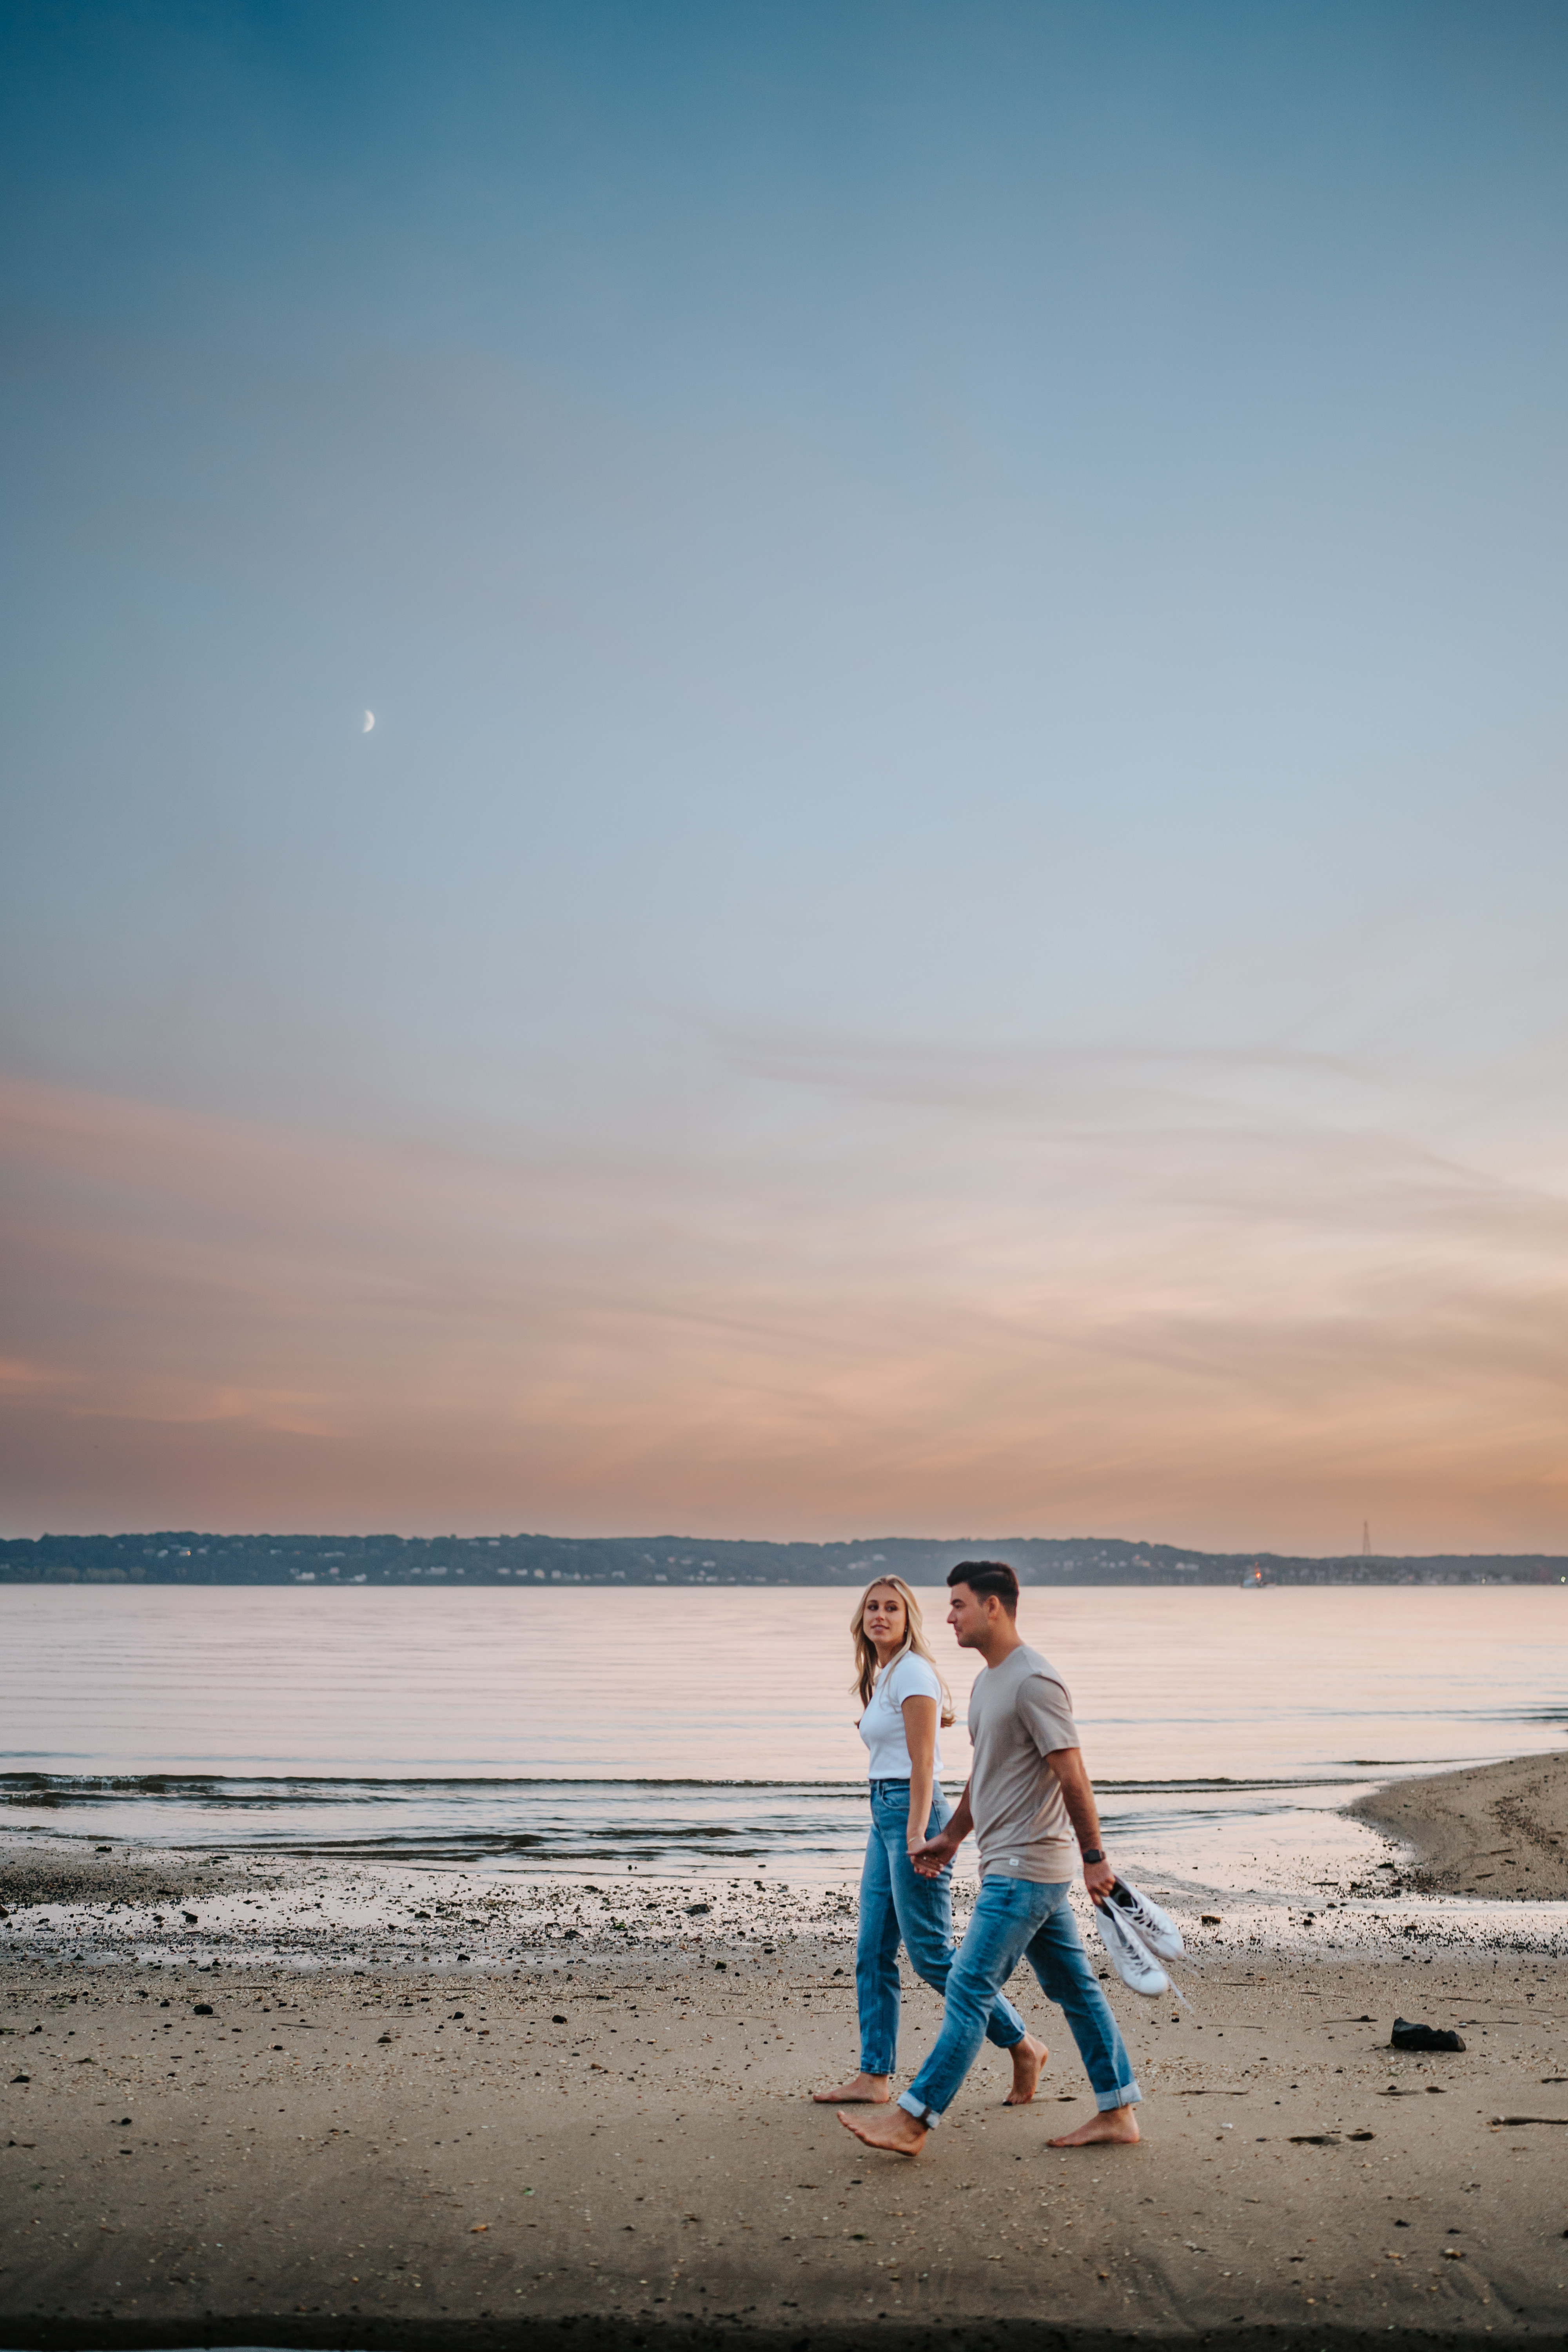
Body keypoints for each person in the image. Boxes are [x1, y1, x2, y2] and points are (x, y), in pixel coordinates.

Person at [838, 1561, 1142, 2156]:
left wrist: (1095, 1858)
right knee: (1075, 1989)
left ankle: (914, 2118)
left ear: (994, 1607)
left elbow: (1073, 1773)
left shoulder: (1034, 1681)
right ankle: (1118, 2110)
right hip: (1006, 1859)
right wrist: (951, 1836)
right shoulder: (988, 1682)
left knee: (969, 1986)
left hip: (1029, 1866)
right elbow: (985, 1775)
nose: (948, 1616)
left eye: (959, 1605)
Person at [813, 1574, 1047, 2109]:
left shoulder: (914, 1672)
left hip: (907, 1814)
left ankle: (1022, 2043)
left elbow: (923, 1765)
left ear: (908, 1618)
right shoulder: (885, 1673)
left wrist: (920, 1835)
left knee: (931, 1954)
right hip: (884, 1811)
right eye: (872, 1607)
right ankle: (874, 2077)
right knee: (872, 1950)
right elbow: (895, 1749)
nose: (880, 1616)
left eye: (892, 1608)